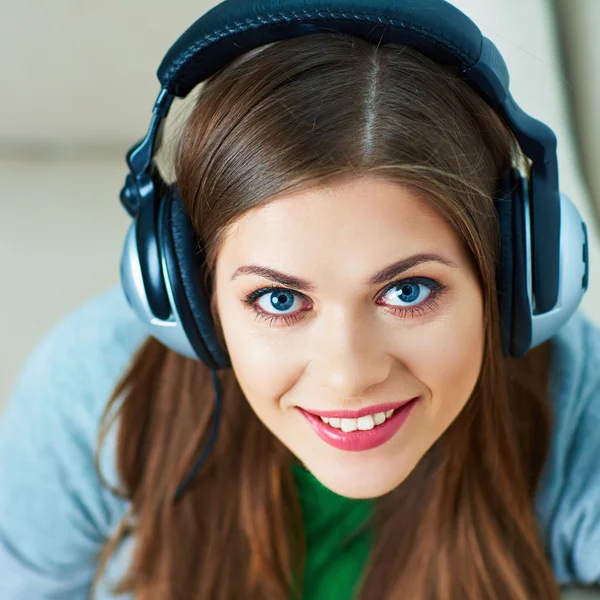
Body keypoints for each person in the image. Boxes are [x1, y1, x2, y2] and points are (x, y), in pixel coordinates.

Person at [0, 1, 598, 599]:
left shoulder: (576, 403)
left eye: (406, 292)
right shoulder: (91, 388)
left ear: (512, 277)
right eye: (279, 299)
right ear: (192, 298)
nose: (348, 376)